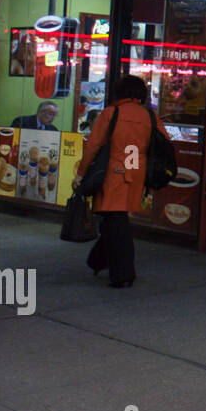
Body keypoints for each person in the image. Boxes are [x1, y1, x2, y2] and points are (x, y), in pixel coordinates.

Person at [74, 76, 166, 288]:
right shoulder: (150, 116)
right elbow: (164, 145)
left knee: (115, 220)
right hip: (137, 173)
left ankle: (122, 272)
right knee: (115, 219)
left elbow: (93, 146)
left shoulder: (111, 114)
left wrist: (81, 173)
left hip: (113, 173)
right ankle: (98, 260)